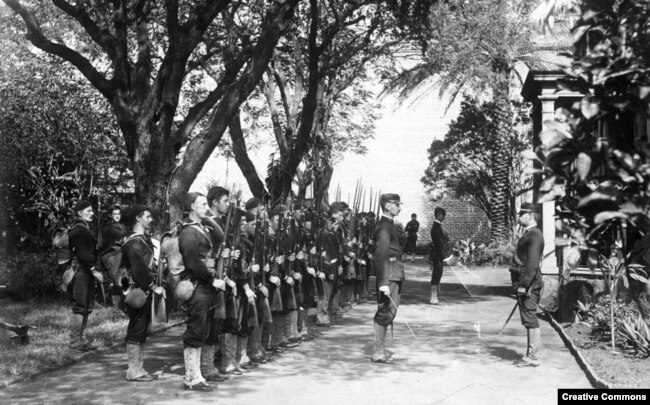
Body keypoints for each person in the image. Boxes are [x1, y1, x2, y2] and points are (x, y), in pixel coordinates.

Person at [178, 192, 227, 391]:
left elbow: (205, 255)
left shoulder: (200, 227)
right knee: (195, 330)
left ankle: (197, 374)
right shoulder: (189, 231)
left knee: (203, 329)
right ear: (192, 207)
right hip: (198, 285)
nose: (206, 207)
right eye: (202, 204)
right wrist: (211, 280)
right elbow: (193, 262)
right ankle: (191, 377)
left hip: (205, 285)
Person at [121, 205, 165, 382]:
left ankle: (139, 367)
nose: (151, 219)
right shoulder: (133, 243)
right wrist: (153, 286)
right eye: (147, 216)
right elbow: (138, 269)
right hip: (137, 291)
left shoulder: (143, 240)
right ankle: (133, 370)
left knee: (142, 330)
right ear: (138, 219)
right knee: (136, 329)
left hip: (142, 290)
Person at [371, 193, 405, 364]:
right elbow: (381, 254)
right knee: (385, 312)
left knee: (389, 312)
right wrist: (383, 282)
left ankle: (380, 350)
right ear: (387, 206)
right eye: (397, 204)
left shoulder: (389, 225)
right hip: (389, 275)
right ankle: (378, 352)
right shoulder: (384, 227)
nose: (399, 207)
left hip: (393, 274)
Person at [510, 202, 544, 367]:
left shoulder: (535, 235)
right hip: (525, 282)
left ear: (530, 215)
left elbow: (532, 264)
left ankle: (533, 357)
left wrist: (524, 285)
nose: (518, 217)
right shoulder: (530, 234)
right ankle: (530, 355)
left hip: (529, 283)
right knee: (527, 317)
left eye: (521, 214)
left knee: (530, 317)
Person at [68, 199, 103, 351]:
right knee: (80, 306)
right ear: (79, 213)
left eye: (92, 210)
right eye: (88, 211)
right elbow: (83, 254)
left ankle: (80, 340)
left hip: (85, 271)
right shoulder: (79, 230)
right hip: (81, 271)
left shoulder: (85, 228)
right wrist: (94, 270)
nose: (92, 213)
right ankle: (75, 342)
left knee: (86, 306)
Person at [101, 205, 127, 307]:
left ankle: (123, 302)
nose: (117, 216)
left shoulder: (123, 226)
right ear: (111, 216)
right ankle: (115, 304)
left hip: (122, 253)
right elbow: (106, 245)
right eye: (114, 214)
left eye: (118, 214)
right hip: (112, 255)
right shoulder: (108, 229)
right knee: (116, 278)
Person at [429, 207, 448, 305]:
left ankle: (435, 296)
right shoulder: (436, 227)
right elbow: (439, 243)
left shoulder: (437, 226)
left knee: (438, 274)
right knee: (436, 274)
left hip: (438, 254)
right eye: (443, 216)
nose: (444, 218)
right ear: (439, 215)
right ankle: (433, 297)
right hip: (437, 254)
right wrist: (444, 256)